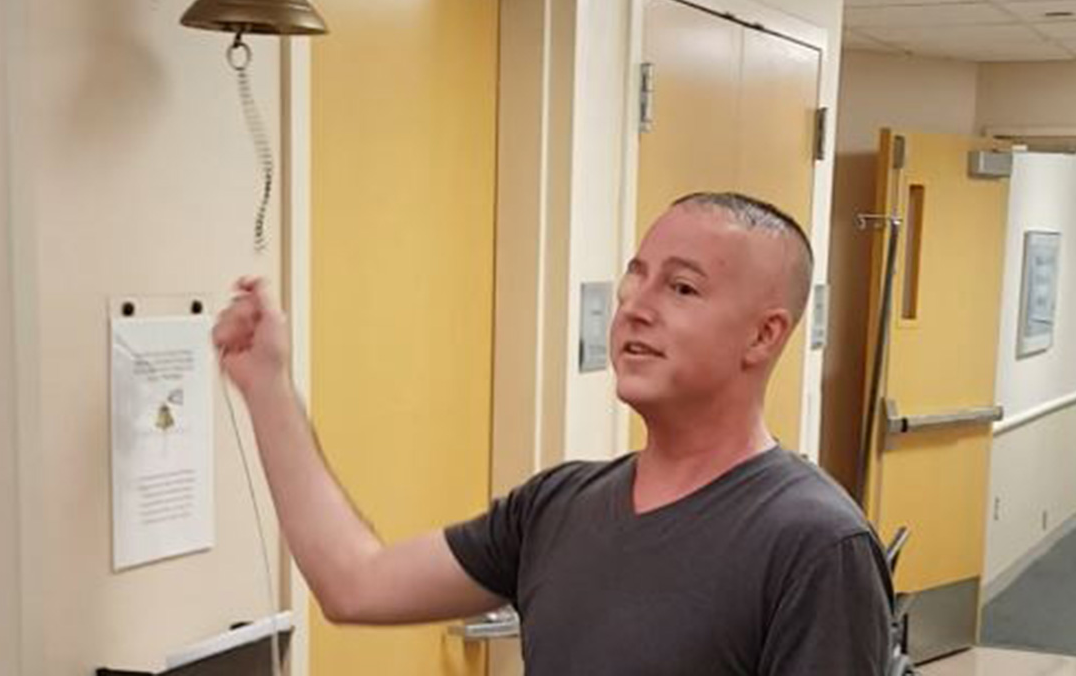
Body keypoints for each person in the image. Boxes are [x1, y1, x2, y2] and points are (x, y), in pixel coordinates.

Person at [213, 191, 893, 674]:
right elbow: (354, 583)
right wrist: (266, 387)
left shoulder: (815, 543)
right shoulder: (559, 506)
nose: (635, 307)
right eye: (636, 277)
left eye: (681, 289)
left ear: (763, 333)